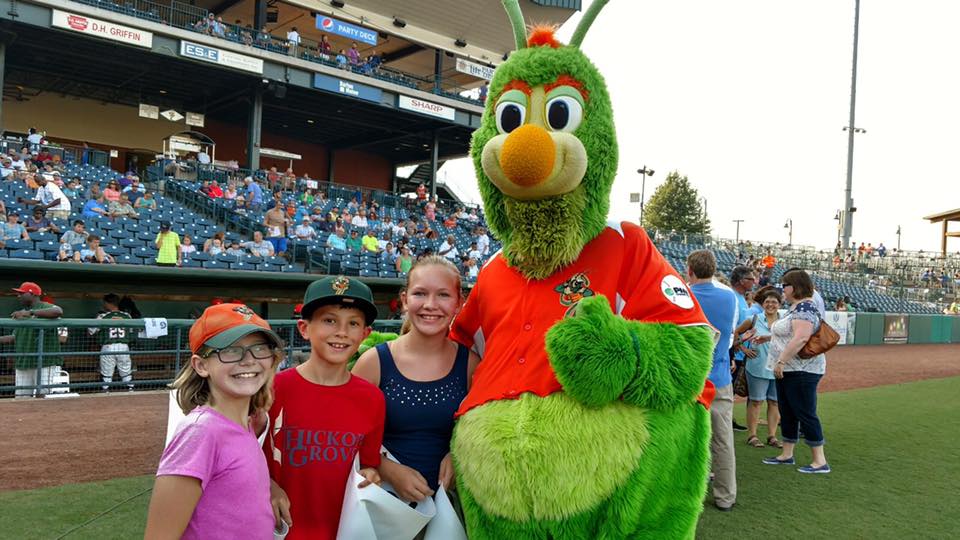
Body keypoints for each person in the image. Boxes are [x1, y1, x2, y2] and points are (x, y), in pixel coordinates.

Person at [144, 303, 283, 539]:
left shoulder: (246, 424)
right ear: (201, 365)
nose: (249, 360)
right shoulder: (201, 432)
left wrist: (271, 486)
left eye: (259, 348)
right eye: (230, 350)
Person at [264, 276, 384, 539]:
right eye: (329, 320)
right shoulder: (270, 389)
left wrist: (371, 475)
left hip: (342, 531)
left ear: (365, 334)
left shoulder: (372, 398)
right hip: (279, 531)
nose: (341, 332)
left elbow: (370, 464)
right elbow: (246, 460)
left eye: (353, 323)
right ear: (304, 328)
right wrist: (268, 486)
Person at [353, 257, 477, 502]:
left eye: (443, 295)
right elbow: (344, 434)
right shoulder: (374, 362)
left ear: (459, 304)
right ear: (404, 300)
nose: (430, 305)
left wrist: (458, 454)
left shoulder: (470, 364)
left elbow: (479, 429)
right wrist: (387, 469)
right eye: (420, 293)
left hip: (449, 509)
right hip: (385, 507)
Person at [762, 269, 830, 474]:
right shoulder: (797, 307)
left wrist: (781, 361)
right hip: (789, 370)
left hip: (801, 370)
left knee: (805, 412)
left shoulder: (805, 307)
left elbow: (801, 337)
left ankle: (819, 460)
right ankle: (786, 454)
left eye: (785, 285)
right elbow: (788, 334)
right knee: (788, 411)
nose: (782, 289)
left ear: (796, 287)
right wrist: (767, 340)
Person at [685, 250, 738, 511]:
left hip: (689, 379)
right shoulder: (729, 297)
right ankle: (725, 496)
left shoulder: (684, 296)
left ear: (690, 270)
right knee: (723, 438)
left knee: (685, 438)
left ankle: (686, 493)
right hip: (718, 377)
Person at [0, 283, 64, 398]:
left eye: (21, 293)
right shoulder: (21, 313)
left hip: (44, 361)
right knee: (21, 398)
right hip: (24, 361)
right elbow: (15, 337)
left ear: (32, 294)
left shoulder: (44, 306)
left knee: (43, 396)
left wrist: (30, 313)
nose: (18, 296)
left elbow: (58, 311)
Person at [743, 287, 782, 449]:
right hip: (757, 366)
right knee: (756, 401)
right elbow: (736, 334)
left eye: (774, 302)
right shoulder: (754, 319)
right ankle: (752, 435)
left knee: (774, 402)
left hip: (778, 367)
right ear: (763, 304)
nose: (770, 305)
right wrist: (744, 349)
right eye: (767, 302)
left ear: (780, 304)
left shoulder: (785, 321)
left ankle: (771, 436)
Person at [729, 265, 757, 432]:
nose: (754, 282)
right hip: (735, 353)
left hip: (739, 353)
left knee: (731, 391)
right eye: (751, 279)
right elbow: (732, 328)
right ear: (741, 281)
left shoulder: (740, 298)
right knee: (728, 391)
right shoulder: (733, 297)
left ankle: (729, 419)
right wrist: (738, 346)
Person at [88, 294, 134, 392]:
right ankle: (130, 389)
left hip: (108, 346)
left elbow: (91, 331)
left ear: (108, 303)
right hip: (123, 346)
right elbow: (130, 331)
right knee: (125, 370)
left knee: (107, 371)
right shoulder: (127, 316)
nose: (103, 305)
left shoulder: (102, 316)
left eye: (104, 303)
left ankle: (106, 390)